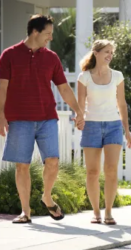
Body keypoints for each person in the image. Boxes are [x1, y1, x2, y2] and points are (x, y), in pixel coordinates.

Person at [0, 14, 85, 223]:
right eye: (48, 33)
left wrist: (78, 111)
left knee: (53, 162)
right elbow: (2, 87)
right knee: (22, 166)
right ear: (35, 32)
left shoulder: (51, 57)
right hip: (19, 118)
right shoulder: (9, 55)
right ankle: (25, 212)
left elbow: (63, 88)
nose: (50, 38)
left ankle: (47, 197)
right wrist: (0, 114)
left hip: (47, 117)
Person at [78, 39, 131, 225]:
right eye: (106, 52)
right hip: (91, 126)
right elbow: (80, 105)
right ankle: (96, 212)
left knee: (111, 170)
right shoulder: (84, 77)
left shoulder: (117, 76)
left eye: (112, 52)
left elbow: (122, 104)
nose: (110, 55)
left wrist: (127, 130)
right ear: (96, 53)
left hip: (113, 125)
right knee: (92, 172)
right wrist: (79, 118)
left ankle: (108, 211)